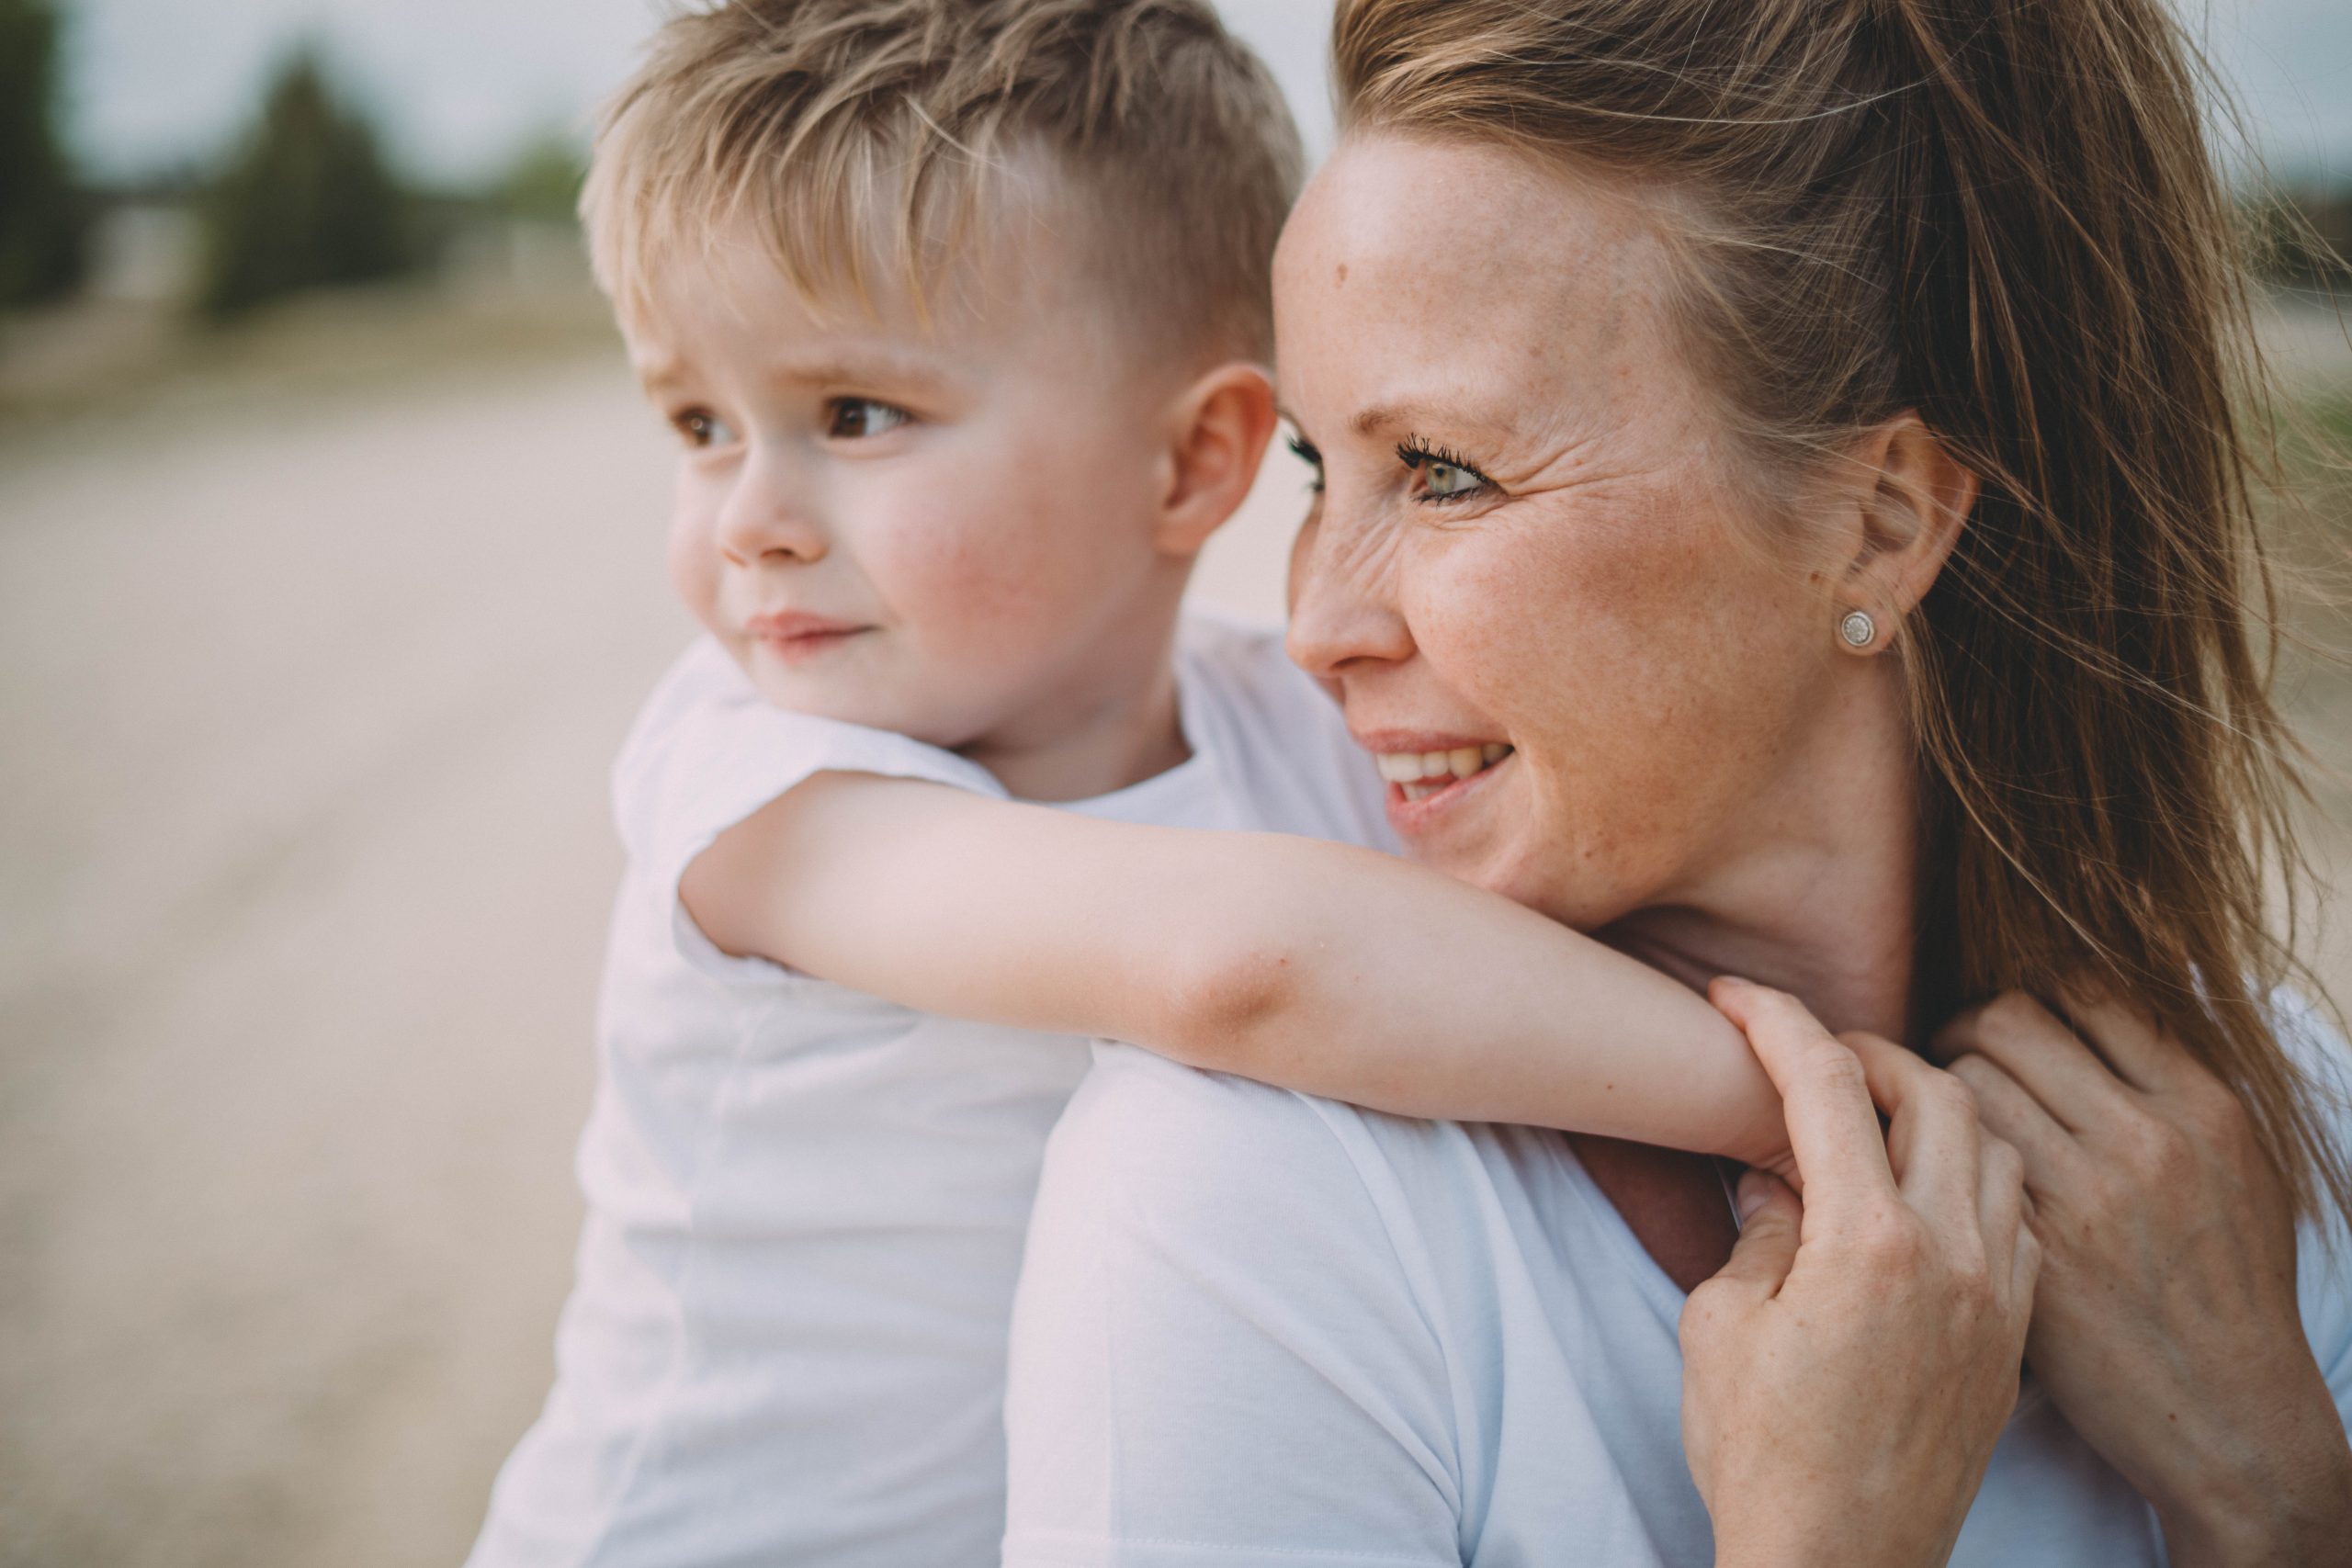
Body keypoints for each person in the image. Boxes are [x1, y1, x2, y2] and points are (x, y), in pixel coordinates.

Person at [1001, 0, 2352, 1562]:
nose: (1313, 624)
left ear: (1880, 523)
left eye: (1443, 471)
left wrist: (2275, 1493)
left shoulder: (2253, 1152)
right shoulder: (1248, 1210)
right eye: (1321, 467)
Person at [467, 2, 1813, 1564]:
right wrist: (1794, 1101)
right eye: (698, 423)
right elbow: (1242, 969)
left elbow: (1485, 939)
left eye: (854, 415)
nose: (751, 514)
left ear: (1189, 464)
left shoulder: (1282, 722)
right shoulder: (767, 793)